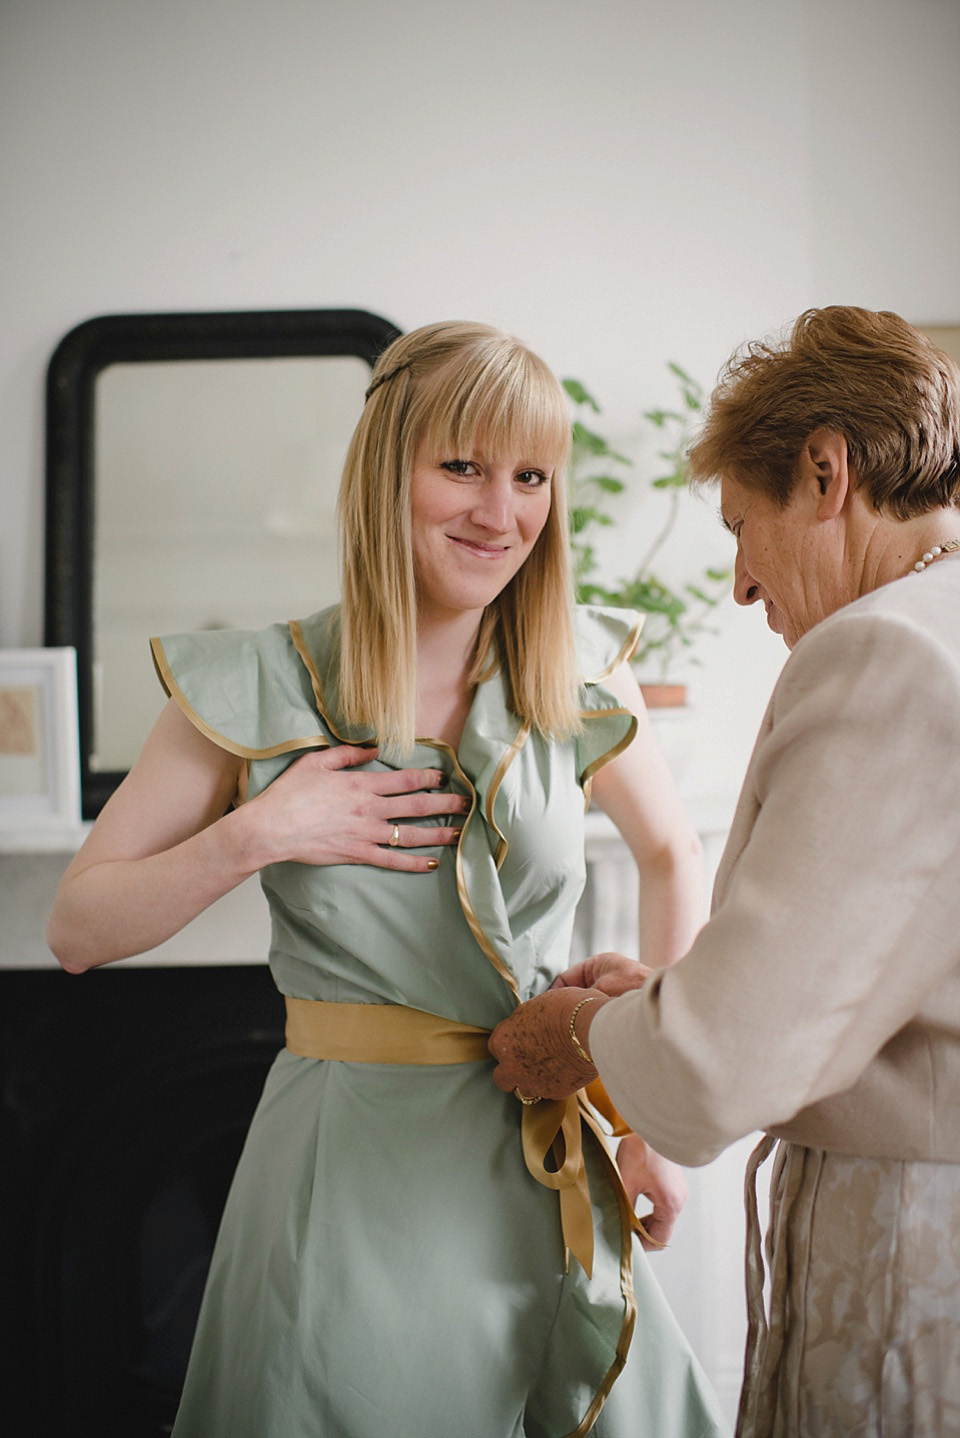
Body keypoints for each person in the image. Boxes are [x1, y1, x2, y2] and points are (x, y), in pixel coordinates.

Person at [48, 321, 727, 1438]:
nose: (498, 513)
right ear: (384, 473)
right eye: (459, 465)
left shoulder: (576, 674)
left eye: (529, 477)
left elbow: (674, 850)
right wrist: (255, 832)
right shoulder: (257, 685)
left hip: (543, 1144)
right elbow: (76, 927)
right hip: (344, 1174)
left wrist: (656, 1101)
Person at [490, 305, 960, 1437]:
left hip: (917, 1240)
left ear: (825, 470)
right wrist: (656, 1005)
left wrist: (583, 1037)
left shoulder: (889, 650)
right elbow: (848, 974)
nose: (743, 587)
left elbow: (723, 1063)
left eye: (743, 526)